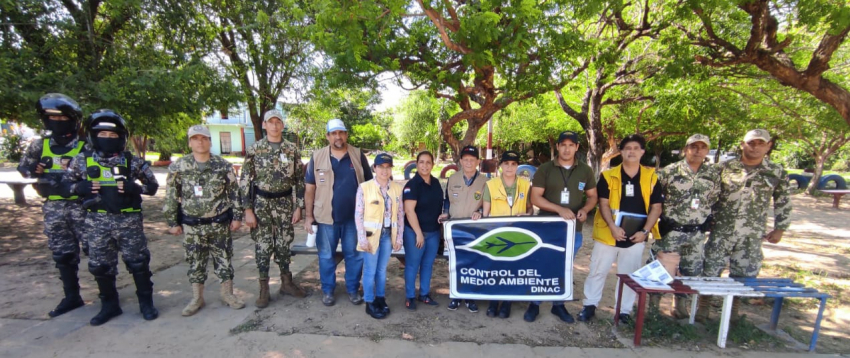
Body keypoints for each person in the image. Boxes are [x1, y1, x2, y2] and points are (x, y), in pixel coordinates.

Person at [63, 110, 159, 325]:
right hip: (97, 223)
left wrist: (136, 188)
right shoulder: (81, 161)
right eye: (102, 134)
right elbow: (65, 186)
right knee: (100, 266)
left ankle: (146, 303)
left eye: (113, 135)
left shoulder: (132, 161)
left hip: (128, 222)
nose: (107, 139)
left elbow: (152, 187)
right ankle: (109, 305)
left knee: (138, 263)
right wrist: (80, 187)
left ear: (122, 137)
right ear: (93, 136)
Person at [702, 129, 791, 321]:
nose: (756, 147)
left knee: (744, 274)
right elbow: (707, 196)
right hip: (721, 231)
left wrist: (780, 228)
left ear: (768, 146)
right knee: (709, 270)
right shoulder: (723, 168)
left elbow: (783, 200)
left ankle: (732, 315)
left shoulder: (776, 171)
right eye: (751, 143)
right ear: (743, 144)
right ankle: (702, 311)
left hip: (751, 234)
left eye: (761, 143)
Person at [18, 93, 88, 318]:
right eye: (51, 118)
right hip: (54, 209)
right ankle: (71, 296)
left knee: (97, 253)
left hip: (83, 208)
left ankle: (108, 296)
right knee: (63, 255)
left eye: (62, 118)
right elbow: (24, 169)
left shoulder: (85, 146)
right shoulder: (40, 145)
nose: (57, 123)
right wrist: (34, 169)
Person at [580, 134, 662, 324]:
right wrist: (613, 227)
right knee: (597, 271)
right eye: (627, 148)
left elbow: (656, 207)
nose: (631, 151)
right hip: (609, 232)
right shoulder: (608, 176)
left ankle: (623, 311)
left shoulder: (651, 177)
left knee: (629, 274)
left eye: (636, 148)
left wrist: (645, 232)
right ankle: (589, 306)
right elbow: (604, 203)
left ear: (642, 152)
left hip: (636, 235)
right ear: (621, 152)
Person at [164, 125, 245, 316]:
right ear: (190, 142)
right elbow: (171, 196)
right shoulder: (179, 166)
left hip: (219, 223)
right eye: (195, 139)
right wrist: (172, 222)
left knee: (224, 259)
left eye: (204, 138)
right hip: (192, 225)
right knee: (195, 262)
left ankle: (228, 294)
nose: (200, 142)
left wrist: (237, 216)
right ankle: (197, 298)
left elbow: (234, 193)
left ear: (210, 141)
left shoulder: (223, 166)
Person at [527, 131, 598, 323]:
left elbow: (593, 196)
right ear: (557, 147)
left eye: (571, 145)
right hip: (546, 229)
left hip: (573, 231)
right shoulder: (545, 169)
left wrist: (585, 209)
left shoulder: (585, 170)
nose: (567, 149)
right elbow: (535, 198)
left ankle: (558, 305)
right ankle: (534, 303)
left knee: (564, 267)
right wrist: (559, 209)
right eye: (563, 145)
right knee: (542, 265)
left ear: (576, 147)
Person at [239, 110, 307, 308]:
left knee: (284, 243)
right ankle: (264, 288)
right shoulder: (255, 149)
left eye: (278, 122)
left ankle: (287, 283)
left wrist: (299, 207)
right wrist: (247, 210)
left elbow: (299, 181)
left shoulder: (291, 149)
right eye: (271, 122)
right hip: (261, 204)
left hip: (285, 203)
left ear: (283, 126)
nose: (275, 126)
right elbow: (245, 181)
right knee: (263, 245)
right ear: (264, 125)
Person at [649, 134, 720, 319]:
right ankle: (653, 308)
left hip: (696, 234)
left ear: (707, 151)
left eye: (702, 147)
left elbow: (713, 199)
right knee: (660, 270)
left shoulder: (713, 174)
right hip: (671, 231)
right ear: (685, 149)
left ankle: (680, 307)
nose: (697, 151)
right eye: (693, 146)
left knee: (691, 272)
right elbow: (654, 198)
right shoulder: (669, 171)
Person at [303, 119, 373, 306]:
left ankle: (352, 290)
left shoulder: (357, 155)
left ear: (346, 134)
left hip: (354, 219)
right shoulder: (317, 157)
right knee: (326, 255)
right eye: (333, 133)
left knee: (355, 255)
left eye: (341, 132)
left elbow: (369, 185)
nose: (338, 136)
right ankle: (327, 291)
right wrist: (309, 216)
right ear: (327, 136)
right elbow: (310, 189)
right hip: (325, 218)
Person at [482, 150, 533, 319]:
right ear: (501, 165)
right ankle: (493, 301)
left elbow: (530, 208)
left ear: (517, 166)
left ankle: (507, 302)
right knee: (496, 268)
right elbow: (485, 212)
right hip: (497, 232)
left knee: (512, 268)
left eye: (513, 164)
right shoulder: (491, 184)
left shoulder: (525, 185)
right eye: (506, 164)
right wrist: (478, 216)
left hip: (517, 233)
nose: (509, 167)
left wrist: (528, 214)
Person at [355, 153, 404, 319]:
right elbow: (358, 215)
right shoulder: (364, 188)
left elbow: (400, 215)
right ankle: (369, 302)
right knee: (370, 270)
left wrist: (399, 238)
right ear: (374, 168)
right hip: (370, 237)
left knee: (382, 270)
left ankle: (380, 298)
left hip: (387, 236)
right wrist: (362, 239)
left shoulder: (396, 188)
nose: (385, 170)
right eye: (381, 167)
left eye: (388, 167)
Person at [442, 145, 487, 313]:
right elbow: (447, 200)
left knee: (473, 262)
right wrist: (445, 213)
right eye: (465, 159)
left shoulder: (485, 181)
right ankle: (455, 295)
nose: (469, 162)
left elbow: (486, 204)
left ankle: (470, 296)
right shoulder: (452, 178)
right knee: (454, 263)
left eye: (472, 159)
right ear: (460, 161)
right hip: (454, 227)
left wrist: (480, 212)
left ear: (477, 162)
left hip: (475, 229)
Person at [402, 151, 444, 310]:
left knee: (427, 264)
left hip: (433, 232)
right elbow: (409, 211)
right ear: (416, 164)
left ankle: (424, 294)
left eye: (428, 162)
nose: (425, 165)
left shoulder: (436, 183)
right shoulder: (412, 185)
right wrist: (418, 233)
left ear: (432, 165)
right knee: (413, 265)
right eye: (421, 162)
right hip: (414, 233)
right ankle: (410, 296)